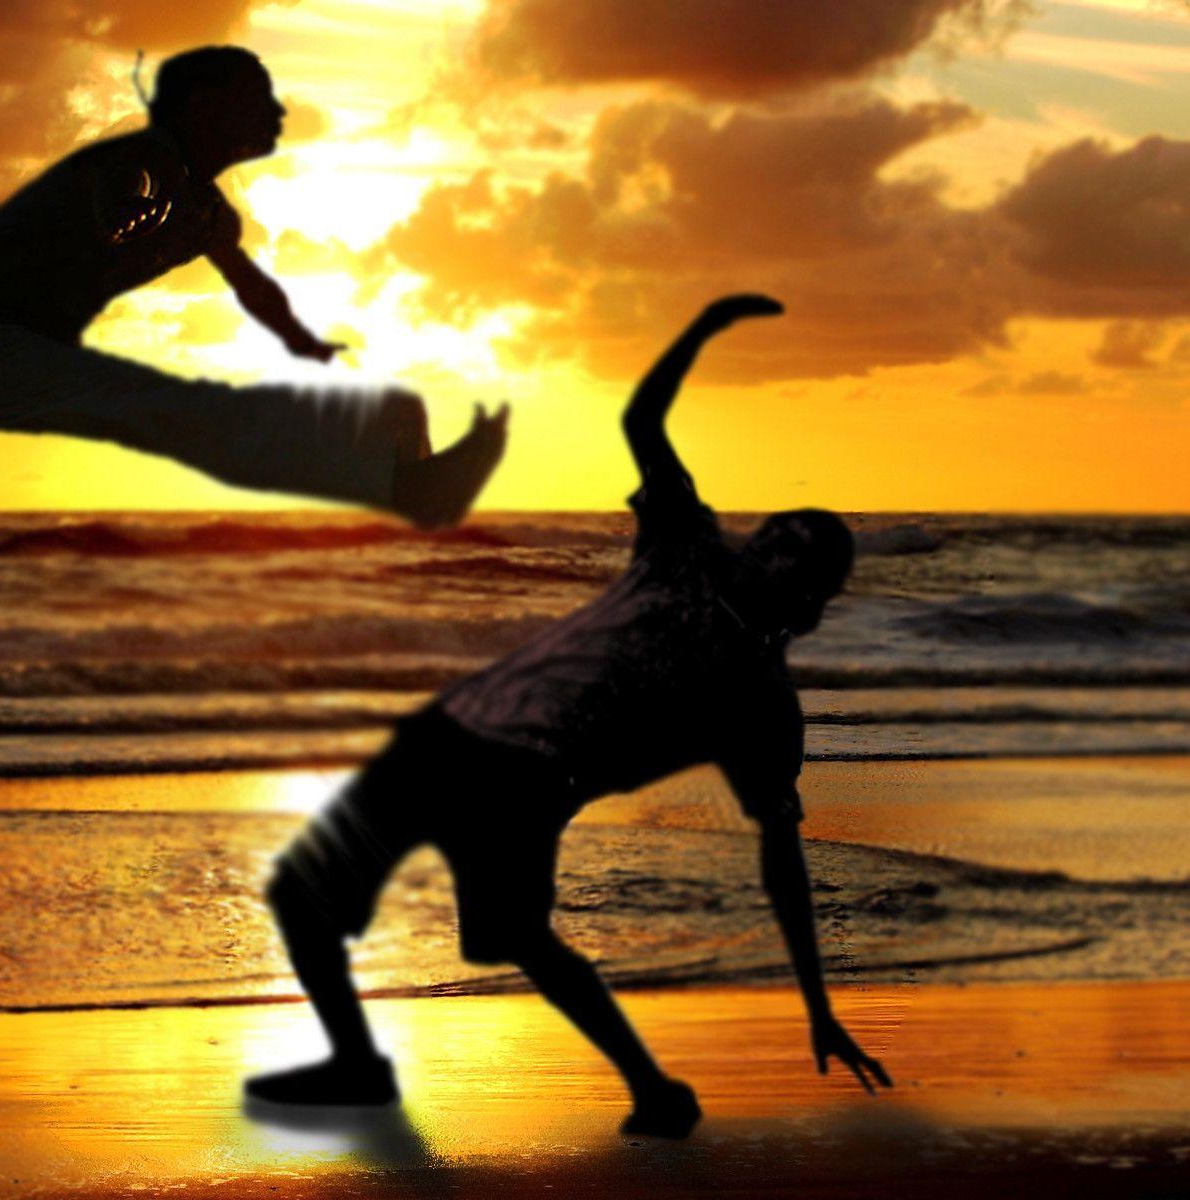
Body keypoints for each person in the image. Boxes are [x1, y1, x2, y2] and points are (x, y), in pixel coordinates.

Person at [244, 294, 892, 1138]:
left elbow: (783, 860)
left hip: (527, 779)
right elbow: (643, 420)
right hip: (454, 730)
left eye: (794, 552)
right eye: (773, 531)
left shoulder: (759, 700)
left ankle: (653, 1091)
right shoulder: (685, 546)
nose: (769, 548)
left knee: (519, 937)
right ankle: (359, 1067)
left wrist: (820, 1006)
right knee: (303, 891)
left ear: (811, 593)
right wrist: (701, 329)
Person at [0, 46, 507, 524]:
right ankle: (402, 488)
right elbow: (112, 191)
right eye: (254, 101)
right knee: (169, 411)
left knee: (390, 408)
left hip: (6, 347)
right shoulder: (147, 165)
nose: (273, 113)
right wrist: (118, 215)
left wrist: (304, 342)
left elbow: (249, 285)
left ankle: (412, 496)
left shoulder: (211, 213)